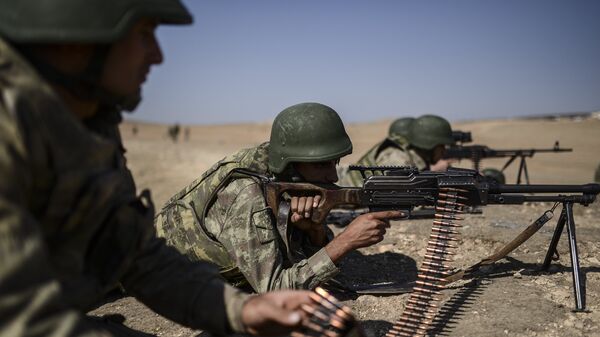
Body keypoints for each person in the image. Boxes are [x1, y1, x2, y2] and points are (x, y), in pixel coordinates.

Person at [0, 1, 315, 336]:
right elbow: (20, 320)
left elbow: (134, 255)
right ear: (78, 36)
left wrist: (241, 310)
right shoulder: (11, 131)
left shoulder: (88, 120)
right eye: (144, 34)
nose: (158, 55)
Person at [156, 102, 401, 293]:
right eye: (321, 165)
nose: (332, 174)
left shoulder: (284, 179)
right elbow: (274, 291)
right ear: (291, 164)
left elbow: (301, 261)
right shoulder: (246, 194)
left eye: (334, 162)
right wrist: (345, 242)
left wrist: (313, 231)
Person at [339, 114, 456, 187]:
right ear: (430, 145)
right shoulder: (398, 159)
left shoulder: (407, 157)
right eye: (441, 146)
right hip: (342, 191)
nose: (444, 151)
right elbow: (399, 196)